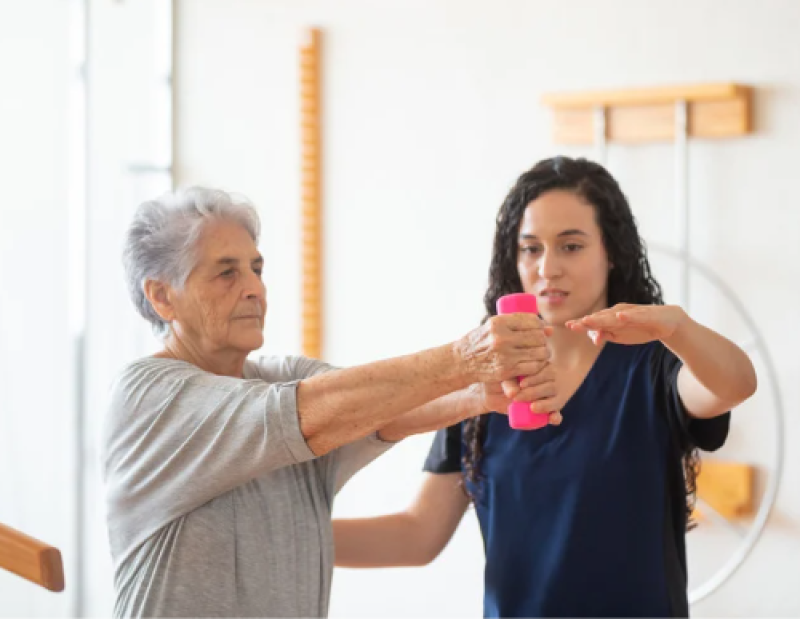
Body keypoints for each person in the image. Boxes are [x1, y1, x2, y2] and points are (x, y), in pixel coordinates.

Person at [102, 186, 559, 618]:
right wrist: (465, 360)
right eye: (227, 272)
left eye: (256, 269)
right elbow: (305, 415)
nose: (254, 289)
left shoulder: (285, 378)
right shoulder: (148, 396)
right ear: (162, 296)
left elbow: (376, 411)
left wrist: (479, 394)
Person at [332, 156, 758, 618]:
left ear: (610, 252)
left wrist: (676, 326)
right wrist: (280, 532)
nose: (547, 268)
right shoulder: (484, 386)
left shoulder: (653, 368)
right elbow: (416, 535)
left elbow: (734, 383)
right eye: (531, 249)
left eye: (571, 247)